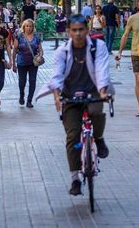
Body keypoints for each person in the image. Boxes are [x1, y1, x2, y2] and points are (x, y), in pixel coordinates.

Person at [39, 14, 113, 196]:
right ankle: (75, 179)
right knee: (73, 136)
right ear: (68, 31)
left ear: (87, 30)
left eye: (81, 30)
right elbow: (57, 75)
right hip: (69, 95)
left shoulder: (98, 46)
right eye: (74, 30)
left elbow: (102, 69)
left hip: (93, 91)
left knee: (96, 112)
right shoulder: (62, 52)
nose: (78, 34)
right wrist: (57, 96)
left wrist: (103, 91)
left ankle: (99, 138)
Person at [12, 19, 43, 108]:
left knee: (32, 81)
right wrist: (13, 64)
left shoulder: (36, 38)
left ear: (33, 27)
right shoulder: (19, 37)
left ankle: (29, 101)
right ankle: (22, 95)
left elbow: (41, 50)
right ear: (24, 27)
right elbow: (14, 50)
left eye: (30, 26)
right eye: (27, 26)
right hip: (21, 63)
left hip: (33, 63)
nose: (29, 28)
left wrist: (40, 56)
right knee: (22, 82)